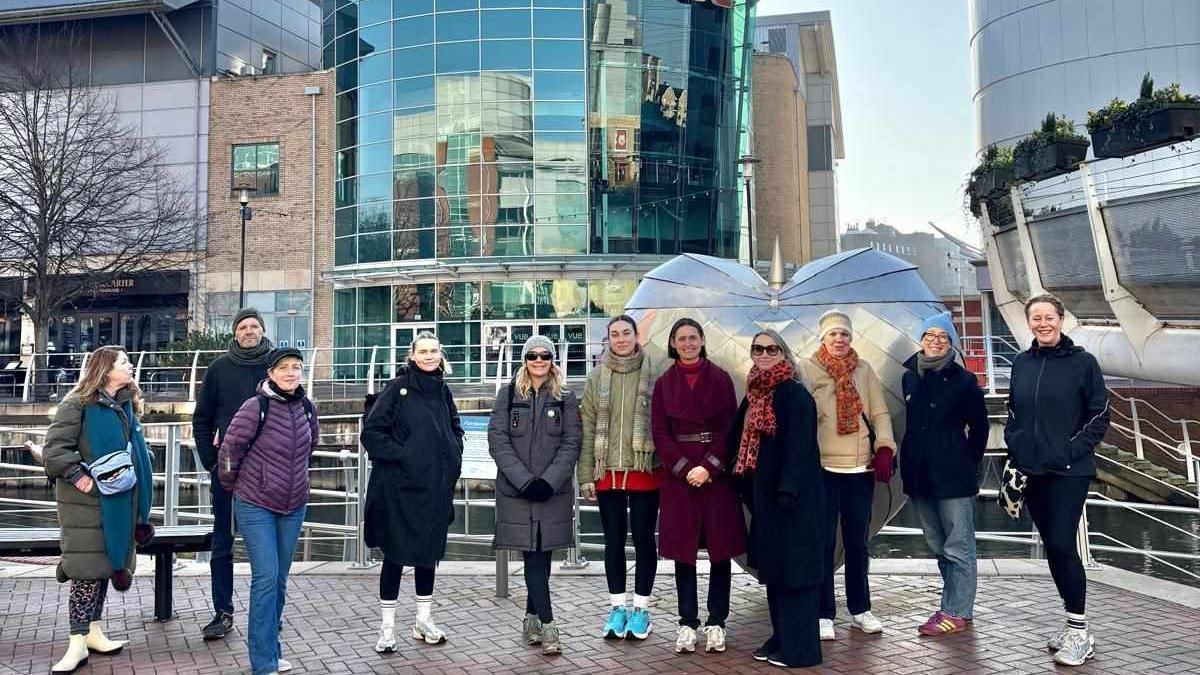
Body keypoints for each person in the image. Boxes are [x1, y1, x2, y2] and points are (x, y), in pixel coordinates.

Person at [1004, 294, 1109, 667]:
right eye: (1036, 318)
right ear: (1029, 323)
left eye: (1049, 316)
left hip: (1068, 471)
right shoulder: (1021, 362)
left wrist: (1066, 451)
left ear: (1062, 320)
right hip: (1031, 471)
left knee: (1064, 544)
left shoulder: (1083, 363)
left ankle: (1080, 633)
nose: (1043, 323)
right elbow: (1013, 410)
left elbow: (1100, 416)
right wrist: (1015, 444)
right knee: (1052, 546)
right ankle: (1072, 622)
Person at [42, 346, 155, 673]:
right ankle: (76, 641)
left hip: (118, 501)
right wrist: (82, 480)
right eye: (124, 362)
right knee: (86, 570)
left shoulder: (124, 405)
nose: (130, 365)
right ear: (106, 370)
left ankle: (92, 630)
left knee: (106, 563)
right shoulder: (77, 404)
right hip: (87, 507)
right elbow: (55, 452)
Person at [361, 332, 464, 652]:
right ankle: (387, 628)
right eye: (423, 351)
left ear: (440, 354)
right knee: (394, 558)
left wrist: (454, 449)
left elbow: (454, 426)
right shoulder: (397, 388)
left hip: (434, 491)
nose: (429, 356)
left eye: (434, 350)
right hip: (399, 492)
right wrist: (404, 456)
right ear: (412, 355)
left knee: (427, 558)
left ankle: (423, 619)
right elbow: (372, 432)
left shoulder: (443, 389)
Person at [218, 347, 319, 675]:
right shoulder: (255, 407)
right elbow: (230, 451)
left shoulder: (307, 407)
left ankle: (273, 652)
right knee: (266, 578)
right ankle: (262, 663)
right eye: (284, 368)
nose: (291, 373)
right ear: (271, 373)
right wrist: (235, 487)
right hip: (255, 504)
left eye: (297, 368)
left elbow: (310, 447)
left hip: (293, 505)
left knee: (280, 580)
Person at [650, 317, 746, 655]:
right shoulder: (664, 383)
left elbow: (730, 429)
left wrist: (709, 467)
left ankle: (717, 621)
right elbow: (660, 433)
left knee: (720, 553)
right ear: (673, 343)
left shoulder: (720, 378)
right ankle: (687, 622)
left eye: (693, 337)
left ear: (702, 340)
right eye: (681, 338)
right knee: (683, 555)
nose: (688, 343)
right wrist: (685, 469)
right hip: (681, 479)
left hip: (715, 477)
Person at [799, 310, 896, 640]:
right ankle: (823, 611)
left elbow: (880, 412)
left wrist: (884, 447)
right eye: (833, 334)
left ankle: (860, 608)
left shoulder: (864, 370)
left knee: (858, 544)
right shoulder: (807, 370)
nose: (839, 340)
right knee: (823, 543)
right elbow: (802, 420)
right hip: (824, 469)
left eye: (844, 334)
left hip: (859, 470)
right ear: (822, 338)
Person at [732, 330, 825, 668]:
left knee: (796, 573)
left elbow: (800, 448)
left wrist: (788, 490)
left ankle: (801, 650)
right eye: (758, 348)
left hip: (793, 500)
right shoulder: (755, 394)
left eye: (772, 348)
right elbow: (736, 439)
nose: (765, 353)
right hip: (765, 499)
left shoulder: (794, 395)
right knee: (775, 572)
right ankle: (782, 637)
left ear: (784, 354)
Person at [488, 335, 582, 656]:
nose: (539, 360)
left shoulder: (566, 398)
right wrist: (526, 481)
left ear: (552, 360)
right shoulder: (508, 396)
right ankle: (549, 624)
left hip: (552, 494)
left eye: (545, 355)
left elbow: (572, 442)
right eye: (532, 355)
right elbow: (498, 441)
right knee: (531, 557)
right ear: (524, 359)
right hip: (518, 493)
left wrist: (549, 482)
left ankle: (530, 618)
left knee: (544, 557)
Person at [899, 312, 989, 636]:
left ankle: (955, 610)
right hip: (920, 476)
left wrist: (966, 460)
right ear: (921, 339)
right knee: (938, 544)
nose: (935, 341)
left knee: (958, 545)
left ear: (951, 344)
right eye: (930, 335)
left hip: (953, 477)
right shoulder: (910, 377)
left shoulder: (964, 381)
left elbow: (980, 427)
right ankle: (957, 602)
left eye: (943, 337)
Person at [193, 308, 273, 641]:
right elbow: (201, 421)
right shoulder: (218, 369)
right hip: (227, 473)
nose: (249, 331)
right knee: (223, 543)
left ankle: (268, 614)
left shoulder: (276, 367)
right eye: (243, 327)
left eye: (255, 326)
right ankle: (222, 612)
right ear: (235, 333)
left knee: (266, 548)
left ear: (263, 330)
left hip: (268, 473)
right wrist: (211, 462)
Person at [578, 315, 659, 641]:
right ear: (608, 338)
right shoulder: (597, 375)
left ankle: (641, 610)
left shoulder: (654, 372)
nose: (622, 339)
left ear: (636, 335)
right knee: (612, 542)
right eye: (615, 334)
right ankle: (617, 608)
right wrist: (585, 475)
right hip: (606, 470)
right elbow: (586, 426)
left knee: (643, 541)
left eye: (627, 333)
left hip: (644, 468)